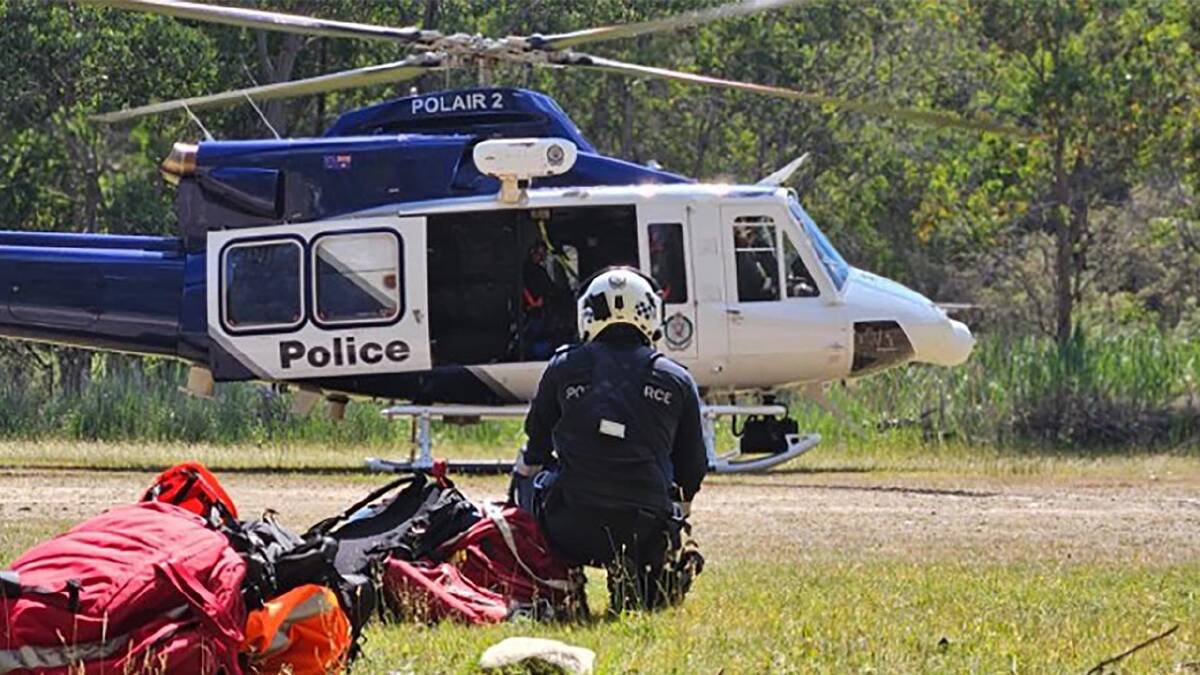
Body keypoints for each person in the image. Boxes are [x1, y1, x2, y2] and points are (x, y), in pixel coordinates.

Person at [515, 267, 708, 611]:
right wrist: (674, 516)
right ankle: (650, 569)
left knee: (527, 473)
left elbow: (536, 448)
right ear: (650, 312)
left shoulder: (563, 366)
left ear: (587, 312)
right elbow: (692, 467)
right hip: (645, 526)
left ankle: (555, 582)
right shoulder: (677, 380)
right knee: (666, 512)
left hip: (570, 525)